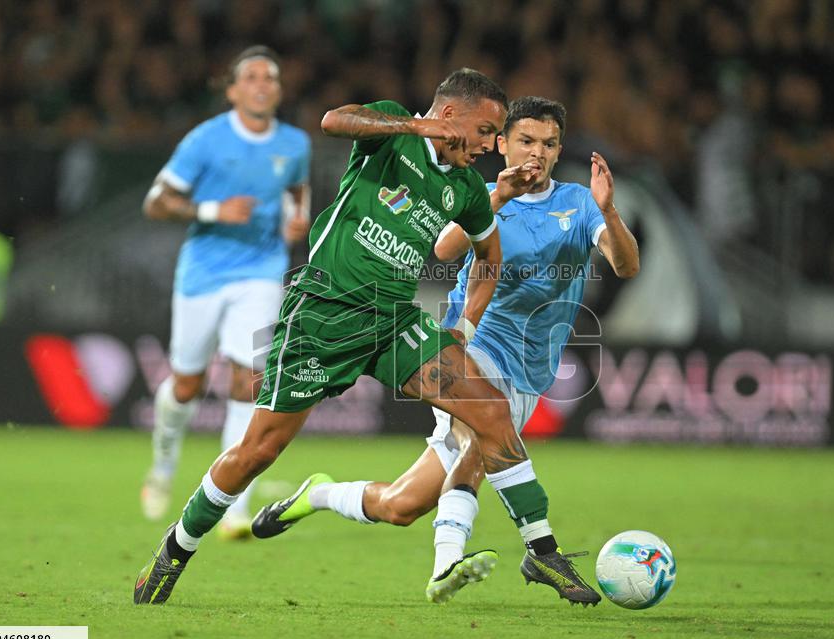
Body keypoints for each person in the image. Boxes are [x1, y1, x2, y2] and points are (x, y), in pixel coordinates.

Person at [134, 71, 597, 607]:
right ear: (449, 117)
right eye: (487, 129)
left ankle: (541, 549)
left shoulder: (469, 189)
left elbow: (488, 259)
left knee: (489, 411)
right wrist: (415, 126)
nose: (492, 144)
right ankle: (176, 547)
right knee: (258, 452)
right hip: (324, 316)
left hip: (395, 322)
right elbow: (335, 120)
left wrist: (462, 329)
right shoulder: (393, 134)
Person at [252, 96, 640, 603]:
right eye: (525, 141)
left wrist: (608, 209)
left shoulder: (579, 202)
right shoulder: (475, 191)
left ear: (558, 149)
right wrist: (499, 199)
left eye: (547, 144)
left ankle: (317, 493)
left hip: (531, 370)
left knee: (401, 505)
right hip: (470, 343)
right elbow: (444, 249)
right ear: (501, 144)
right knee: (477, 437)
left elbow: (625, 265)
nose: (536, 153)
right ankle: (459, 563)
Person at [138, 46, 312, 539]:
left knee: (249, 380)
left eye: (270, 78)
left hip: (260, 272)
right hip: (202, 275)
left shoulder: (295, 143)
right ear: (233, 90)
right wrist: (212, 211)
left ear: (278, 90)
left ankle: (231, 504)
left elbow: (296, 189)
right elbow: (156, 202)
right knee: (186, 386)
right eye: (251, 77)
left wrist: (296, 219)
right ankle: (163, 465)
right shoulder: (206, 140)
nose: (261, 84)